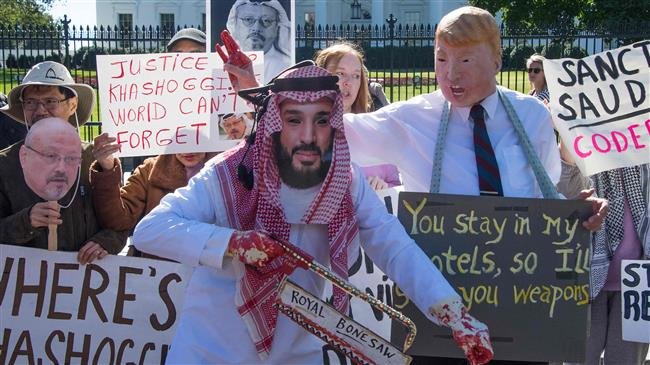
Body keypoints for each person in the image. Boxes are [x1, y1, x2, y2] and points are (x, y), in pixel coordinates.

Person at [132, 64, 494, 364]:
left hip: (297, 353)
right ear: (275, 122)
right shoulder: (230, 173)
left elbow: (392, 243)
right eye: (293, 120)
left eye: (321, 121)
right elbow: (152, 229)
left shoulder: (345, 179)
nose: (308, 136)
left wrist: (454, 313)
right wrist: (233, 243)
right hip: (211, 352)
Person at [90, 27, 216, 259]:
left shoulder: (231, 170)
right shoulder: (150, 172)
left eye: (196, 54)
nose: (187, 62)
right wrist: (107, 167)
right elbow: (119, 219)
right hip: (158, 282)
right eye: (178, 55)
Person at [0, 60, 126, 264]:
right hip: (26, 289)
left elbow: (120, 224)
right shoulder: (5, 164)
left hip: (84, 284)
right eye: (31, 102)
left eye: (50, 101)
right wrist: (26, 221)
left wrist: (106, 242)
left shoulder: (94, 160)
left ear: (72, 105)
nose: (40, 110)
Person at [558, 154, 649, 364]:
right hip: (583, 277)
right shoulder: (582, 149)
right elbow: (564, 189)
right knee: (578, 358)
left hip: (637, 283)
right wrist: (567, 132)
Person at [315, 42, 400, 191]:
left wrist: (385, 188)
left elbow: (397, 186)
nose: (349, 82)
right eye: (340, 74)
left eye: (356, 76)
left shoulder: (375, 133)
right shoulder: (304, 134)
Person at [226, 0, 292, 82]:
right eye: (248, 19)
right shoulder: (219, 60)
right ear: (235, 24)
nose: (256, 28)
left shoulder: (287, 66)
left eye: (266, 21)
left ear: (277, 27)